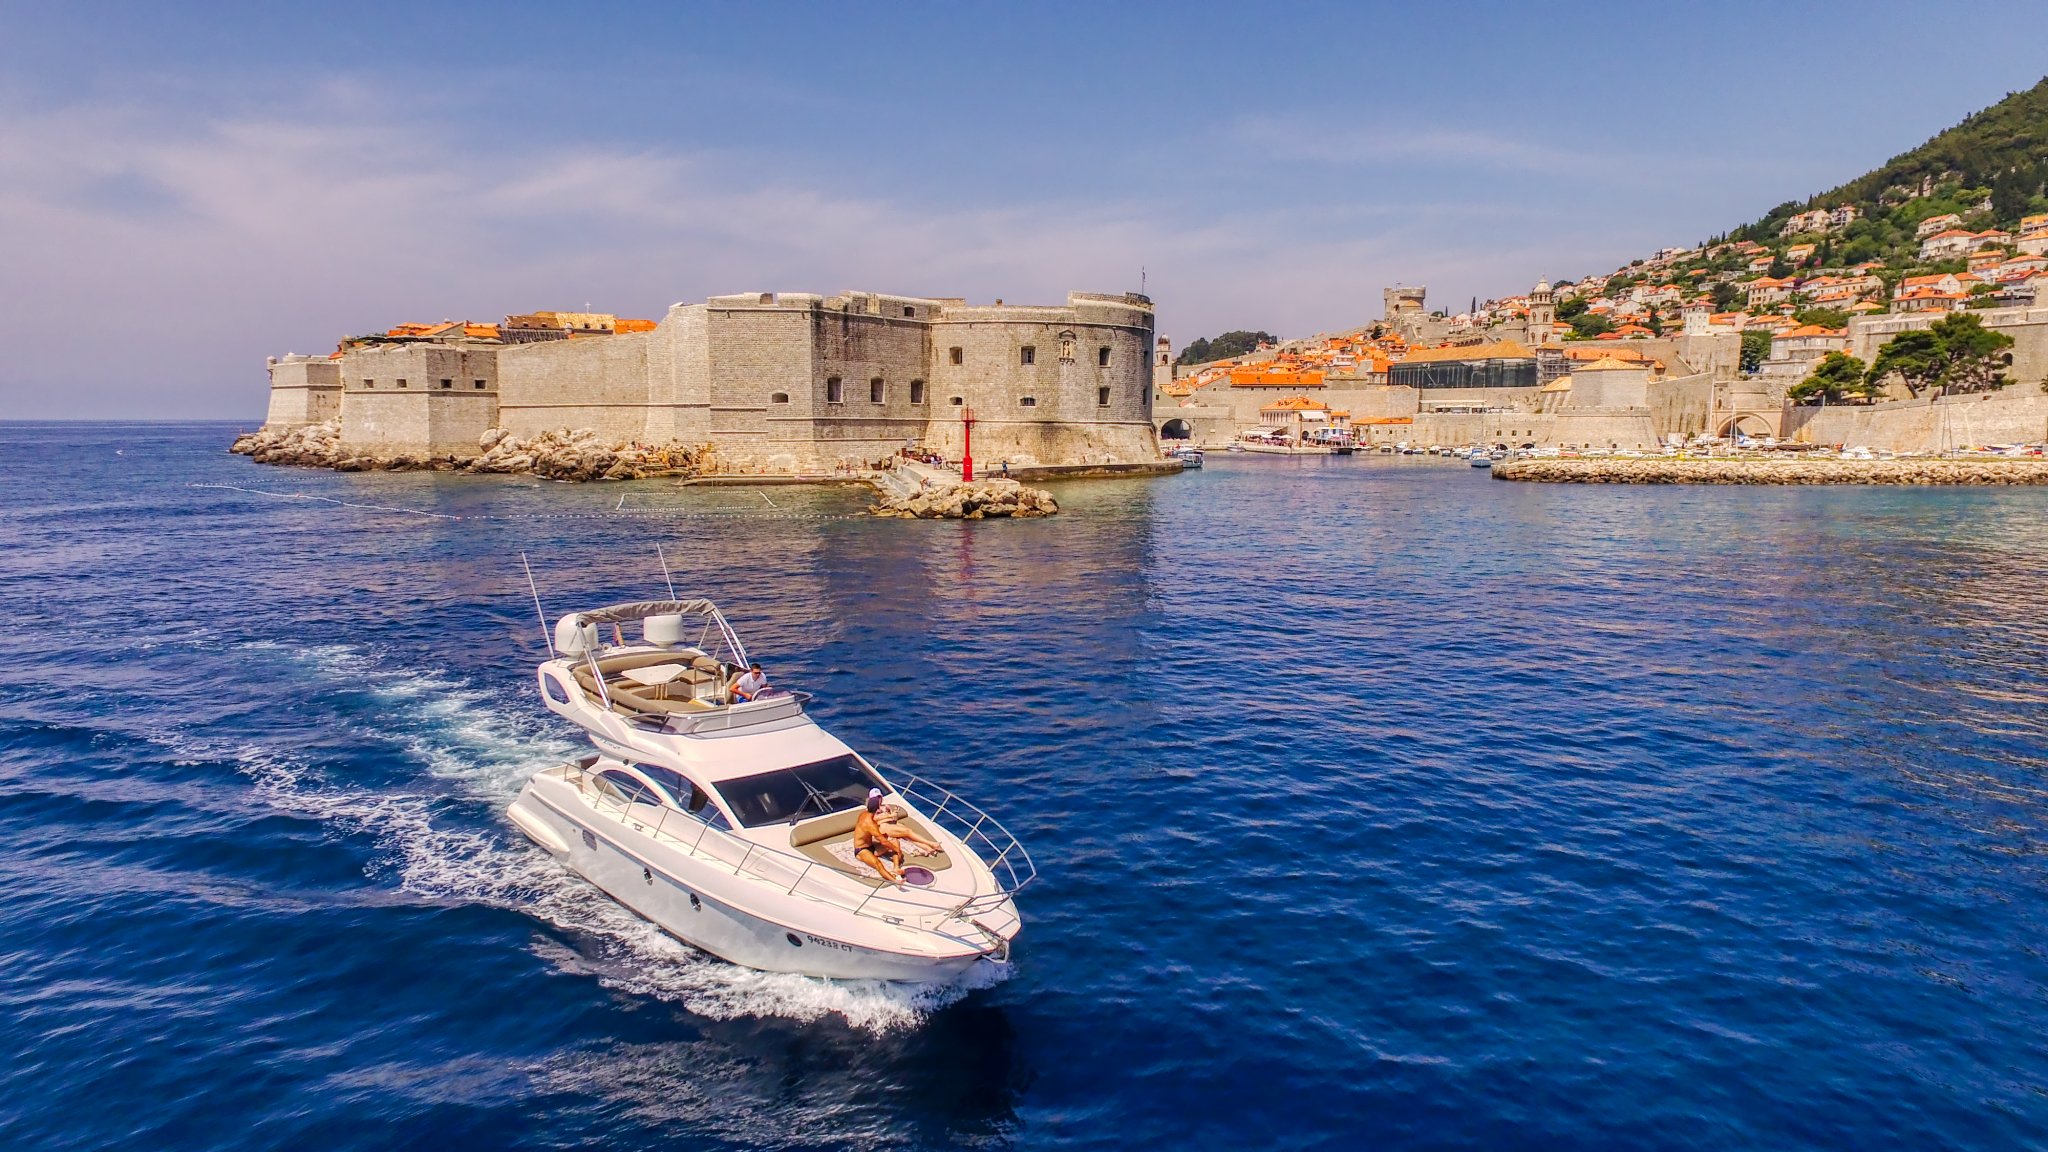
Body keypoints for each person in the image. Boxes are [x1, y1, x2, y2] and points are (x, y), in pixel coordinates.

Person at [853, 789, 905, 884]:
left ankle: (896, 868)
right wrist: (898, 851)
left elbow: (878, 821)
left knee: (894, 842)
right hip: (862, 851)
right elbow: (883, 842)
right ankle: (895, 881)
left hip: (871, 846)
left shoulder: (864, 814)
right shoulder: (869, 824)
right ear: (877, 808)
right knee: (878, 864)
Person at [876, 803, 942, 857]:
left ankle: (928, 848)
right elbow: (876, 821)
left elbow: (894, 818)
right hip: (884, 827)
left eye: (879, 797)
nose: (879, 799)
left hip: (891, 825)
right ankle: (931, 844)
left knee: (909, 837)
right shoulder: (873, 811)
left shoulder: (885, 807)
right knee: (908, 832)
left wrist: (894, 814)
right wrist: (889, 817)